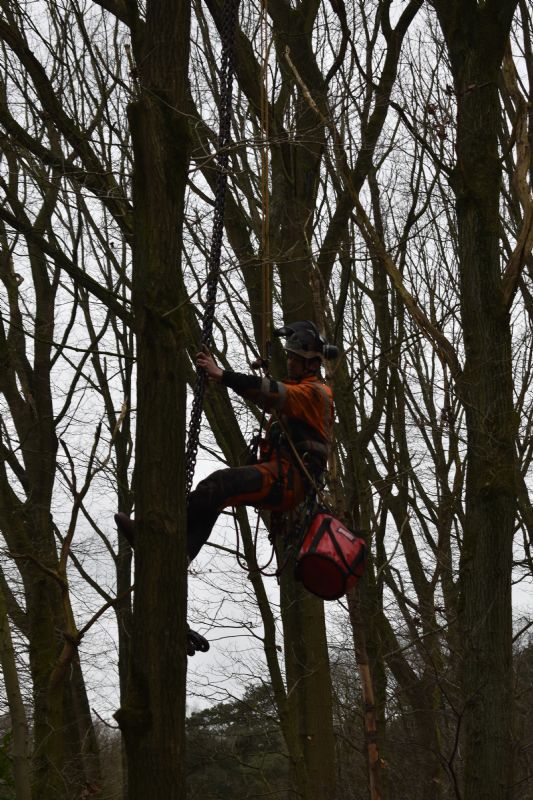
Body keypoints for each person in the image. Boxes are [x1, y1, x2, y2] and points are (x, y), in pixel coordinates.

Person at [115, 321, 337, 652]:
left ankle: (164, 542)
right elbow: (275, 393)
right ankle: (178, 553)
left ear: (312, 363)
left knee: (219, 483)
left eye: (294, 358)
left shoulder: (316, 393)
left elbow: (273, 393)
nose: (289, 362)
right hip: (280, 473)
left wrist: (221, 374)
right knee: (216, 495)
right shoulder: (301, 389)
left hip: (290, 481)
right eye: (289, 357)